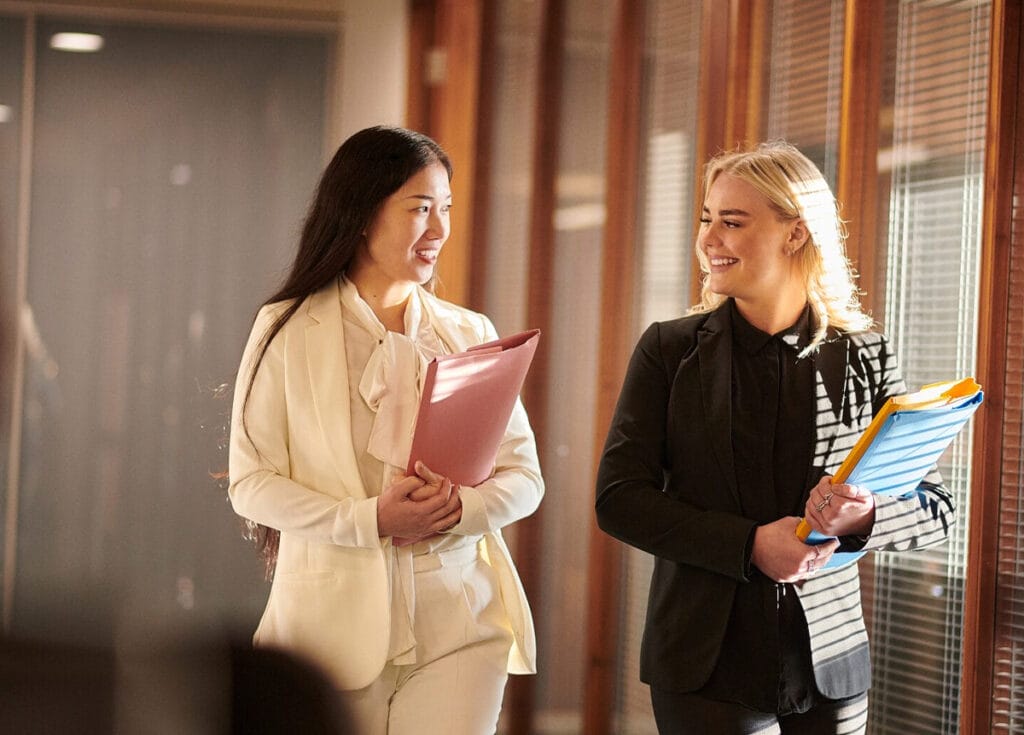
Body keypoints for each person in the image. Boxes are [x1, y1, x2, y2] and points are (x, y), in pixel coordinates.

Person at [594, 141, 955, 734]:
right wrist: (749, 545)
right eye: (708, 219)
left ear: (795, 234)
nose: (710, 238)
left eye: (732, 222)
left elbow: (935, 511)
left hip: (830, 666)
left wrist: (860, 520)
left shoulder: (864, 354)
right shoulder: (669, 350)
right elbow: (620, 500)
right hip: (705, 665)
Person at [228, 125, 543, 734]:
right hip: (324, 639)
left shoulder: (470, 332)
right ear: (362, 213)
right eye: (421, 208)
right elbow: (252, 484)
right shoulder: (286, 329)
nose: (440, 229)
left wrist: (462, 508)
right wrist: (371, 519)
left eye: (446, 208)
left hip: (459, 625)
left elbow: (524, 476)